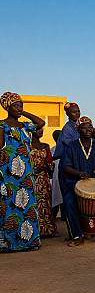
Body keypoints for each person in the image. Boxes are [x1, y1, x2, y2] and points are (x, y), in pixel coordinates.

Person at [0, 92, 45, 252]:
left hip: (26, 173)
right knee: (9, 207)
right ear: (7, 107)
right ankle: (8, 243)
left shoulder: (26, 126)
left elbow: (41, 122)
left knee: (28, 208)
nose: (19, 108)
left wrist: (22, 112)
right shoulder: (2, 126)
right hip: (8, 173)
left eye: (21, 105)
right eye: (16, 106)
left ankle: (29, 242)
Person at [61, 117, 95, 246]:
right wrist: (78, 173)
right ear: (78, 129)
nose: (88, 129)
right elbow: (66, 166)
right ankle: (77, 234)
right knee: (69, 201)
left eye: (90, 127)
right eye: (84, 127)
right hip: (75, 183)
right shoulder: (72, 146)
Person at [30, 127, 58, 238]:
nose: (40, 132)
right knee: (32, 203)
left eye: (41, 130)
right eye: (37, 130)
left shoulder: (45, 146)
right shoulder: (26, 145)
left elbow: (50, 164)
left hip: (43, 179)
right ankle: (33, 231)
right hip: (30, 178)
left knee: (45, 203)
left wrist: (46, 167)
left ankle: (47, 230)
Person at [51, 130, 64, 221]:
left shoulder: (67, 148)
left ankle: (64, 217)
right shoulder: (52, 149)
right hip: (55, 177)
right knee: (56, 197)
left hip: (65, 176)